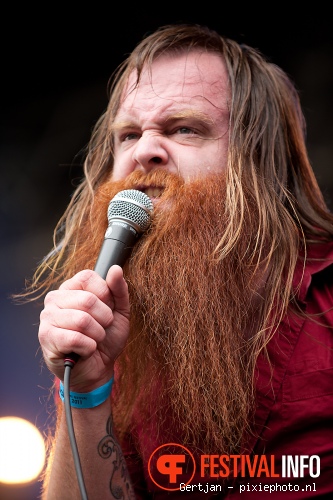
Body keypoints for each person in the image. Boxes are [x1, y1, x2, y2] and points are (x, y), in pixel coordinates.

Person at [21, 23, 333, 498]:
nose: (144, 150)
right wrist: (84, 392)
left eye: (184, 128)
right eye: (127, 135)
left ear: (260, 161)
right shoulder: (124, 334)